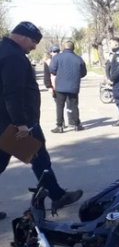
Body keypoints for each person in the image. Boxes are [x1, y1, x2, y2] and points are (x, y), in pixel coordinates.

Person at [0, 22, 83, 218]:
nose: (35, 47)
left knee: (25, 159)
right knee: (39, 158)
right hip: (17, 123)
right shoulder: (13, 57)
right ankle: (57, 195)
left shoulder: (5, 51)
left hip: (6, 121)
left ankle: (57, 194)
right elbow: (12, 93)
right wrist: (20, 123)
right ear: (22, 37)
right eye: (33, 41)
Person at [49, 41, 87, 133]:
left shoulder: (57, 58)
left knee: (60, 106)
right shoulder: (78, 59)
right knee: (74, 106)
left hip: (60, 86)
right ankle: (77, 125)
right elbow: (83, 73)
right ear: (73, 48)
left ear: (63, 48)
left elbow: (52, 70)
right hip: (73, 86)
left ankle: (59, 126)